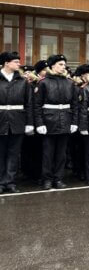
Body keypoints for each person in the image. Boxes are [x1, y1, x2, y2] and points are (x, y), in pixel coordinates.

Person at [34, 54, 79, 190]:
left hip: (65, 119)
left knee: (61, 154)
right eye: (60, 64)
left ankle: (58, 178)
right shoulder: (43, 83)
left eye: (64, 65)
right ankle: (47, 179)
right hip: (49, 121)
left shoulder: (69, 83)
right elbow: (37, 105)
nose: (63, 67)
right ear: (52, 66)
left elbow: (75, 105)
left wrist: (74, 122)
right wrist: (40, 123)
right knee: (48, 153)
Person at [0, 52, 34, 193]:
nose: (18, 64)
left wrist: (29, 123)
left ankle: (10, 181)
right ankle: (1, 182)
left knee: (14, 153)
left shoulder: (22, 81)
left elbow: (29, 103)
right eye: (15, 61)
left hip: (17, 121)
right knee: (1, 153)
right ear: (6, 63)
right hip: (1, 120)